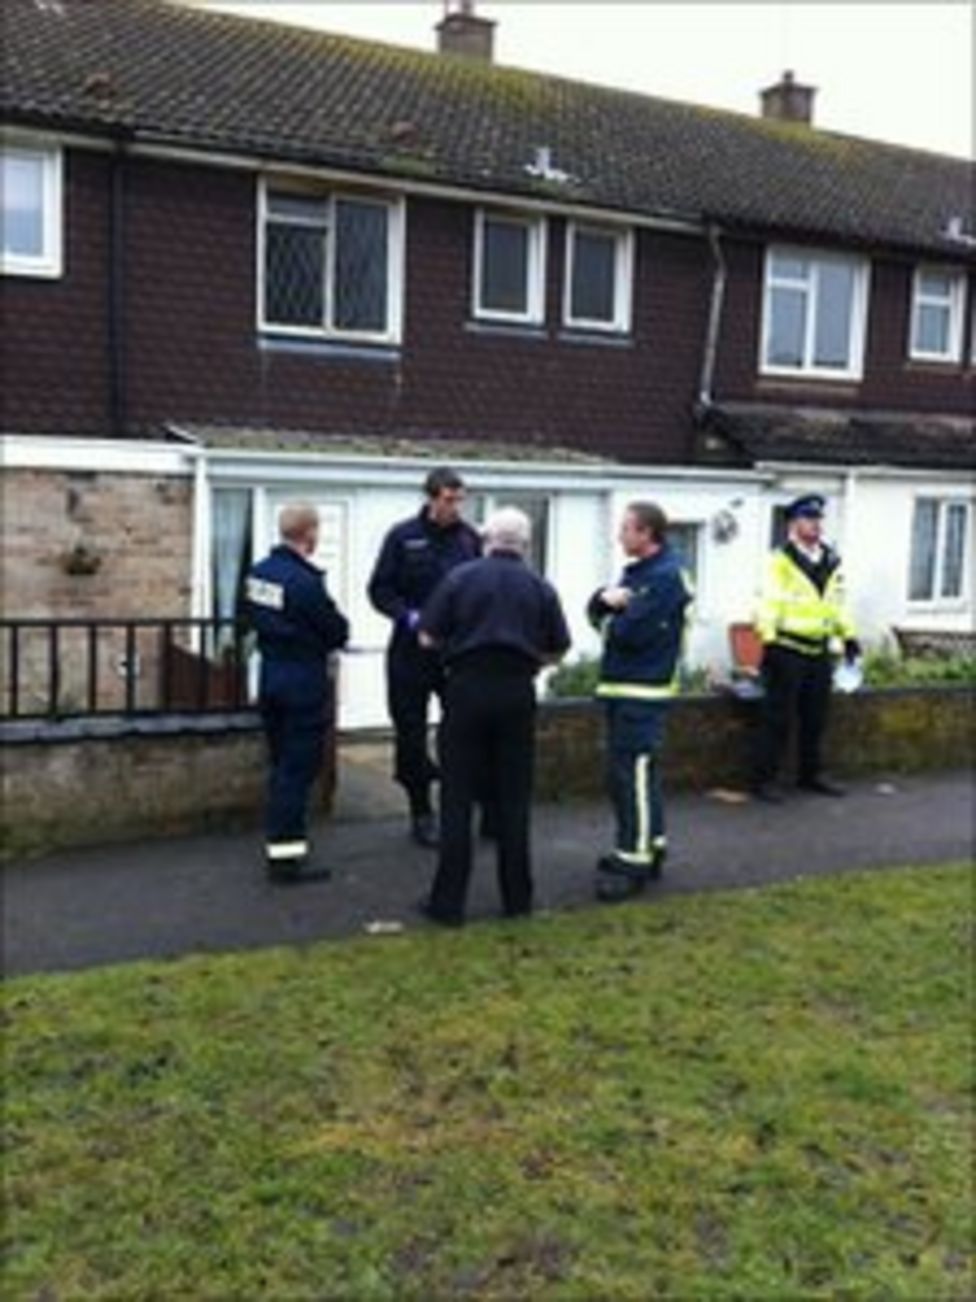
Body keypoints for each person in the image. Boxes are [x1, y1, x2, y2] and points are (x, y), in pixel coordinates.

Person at [416, 508, 571, 926]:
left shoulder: (460, 579)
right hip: (516, 692)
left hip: (466, 689)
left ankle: (448, 904)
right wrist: (532, 663)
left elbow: (427, 635)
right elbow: (559, 646)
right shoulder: (541, 587)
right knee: (514, 798)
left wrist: (456, 645)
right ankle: (517, 899)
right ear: (525, 544)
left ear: (487, 539)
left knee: (457, 797)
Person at [368, 467, 482, 847]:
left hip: (454, 652)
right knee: (411, 734)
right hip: (410, 652)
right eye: (449, 500)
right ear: (431, 498)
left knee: (461, 730)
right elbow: (379, 589)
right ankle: (420, 811)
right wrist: (407, 616)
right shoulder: (403, 538)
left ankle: (459, 804)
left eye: (460, 500)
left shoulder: (469, 540)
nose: (455, 507)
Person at [588, 501, 693, 903]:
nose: (620, 536)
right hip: (625, 687)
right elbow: (603, 616)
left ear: (646, 533)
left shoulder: (663, 578)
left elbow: (629, 632)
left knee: (631, 774)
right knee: (636, 774)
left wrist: (606, 608)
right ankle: (650, 844)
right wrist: (604, 602)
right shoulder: (643, 573)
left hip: (641, 690)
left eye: (626, 529)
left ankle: (634, 860)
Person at [245, 503, 350, 882]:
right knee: (297, 770)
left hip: (271, 677)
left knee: (280, 766)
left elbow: (258, 618)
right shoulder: (305, 582)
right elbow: (336, 630)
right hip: (302, 682)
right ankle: (286, 858)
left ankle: (281, 842)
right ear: (309, 533)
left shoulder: (259, 573)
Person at [752, 494, 860, 802]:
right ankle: (765, 780)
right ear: (793, 524)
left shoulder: (830, 559)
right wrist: (768, 638)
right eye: (809, 519)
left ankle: (811, 775)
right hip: (786, 647)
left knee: (816, 717)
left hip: (818, 648)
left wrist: (848, 636)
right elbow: (767, 602)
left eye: (818, 519)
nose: (816, 525)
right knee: (777, 718)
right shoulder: (780, 561)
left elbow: (836, 603)